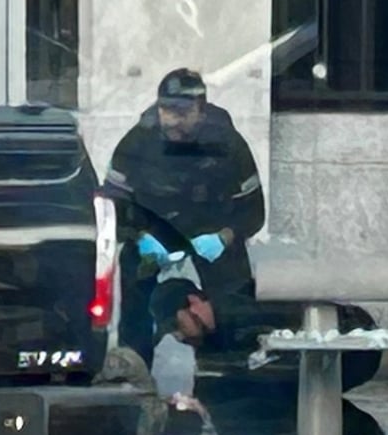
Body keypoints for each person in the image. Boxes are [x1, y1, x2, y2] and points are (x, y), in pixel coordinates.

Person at [101, 68, 265, 368]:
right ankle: (132, 371)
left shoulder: (229, 144)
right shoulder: (137, 142)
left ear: (201, 110)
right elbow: (111, 205)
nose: (173, 119)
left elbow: (253, 213)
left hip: (212, 229)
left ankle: (229, 368)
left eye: (183, 111)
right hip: (154, 229)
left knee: (232, 300)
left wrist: (223, 238)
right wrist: (139, 237)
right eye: (167, 110)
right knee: (136, 289)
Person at [149, 278, 386, 435]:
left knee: (253, 406)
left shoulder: (239, 313)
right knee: (232, 408)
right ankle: (344, 425)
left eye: (176, 326)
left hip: (351, 344)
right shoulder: (213, 337)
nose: (179, 336)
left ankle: (353, 428)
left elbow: (272, 362)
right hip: (314, 353)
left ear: (193, 303)